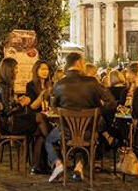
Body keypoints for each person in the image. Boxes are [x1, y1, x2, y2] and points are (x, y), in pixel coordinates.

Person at [46, 52, 116, 182]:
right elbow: (111, 102)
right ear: (78, 63)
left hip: (65, 132)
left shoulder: (59, 84)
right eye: (83, 63)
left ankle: (58, 164)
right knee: (85, 138)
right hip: (89, 131)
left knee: (49, 140)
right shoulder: (92, 82)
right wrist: (97, 111)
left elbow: (53, 107)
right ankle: (78, 166)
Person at [0, 58, 37, 136]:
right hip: (8, 125)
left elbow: (5, 105)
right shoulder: (5, 87)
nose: (17, 71)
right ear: (9, 70)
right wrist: (22, 104)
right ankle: (48, 146)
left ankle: (40, 147)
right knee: (39, 120)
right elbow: (8, 111)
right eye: (15, 68)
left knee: (39, 124)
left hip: (0, 124)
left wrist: (17, 101)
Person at [25, 60, 52, 174]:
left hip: (47, 118)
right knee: (41, 126)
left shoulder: (51, 84)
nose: (45, 72)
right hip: (33, 118)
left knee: (41, 135)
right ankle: (47, 162)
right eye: (42, 69)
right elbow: (32, 106)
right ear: (36, 71)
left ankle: (37, 166)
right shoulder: (30, 85)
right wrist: (42, 95)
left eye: (47, 69)